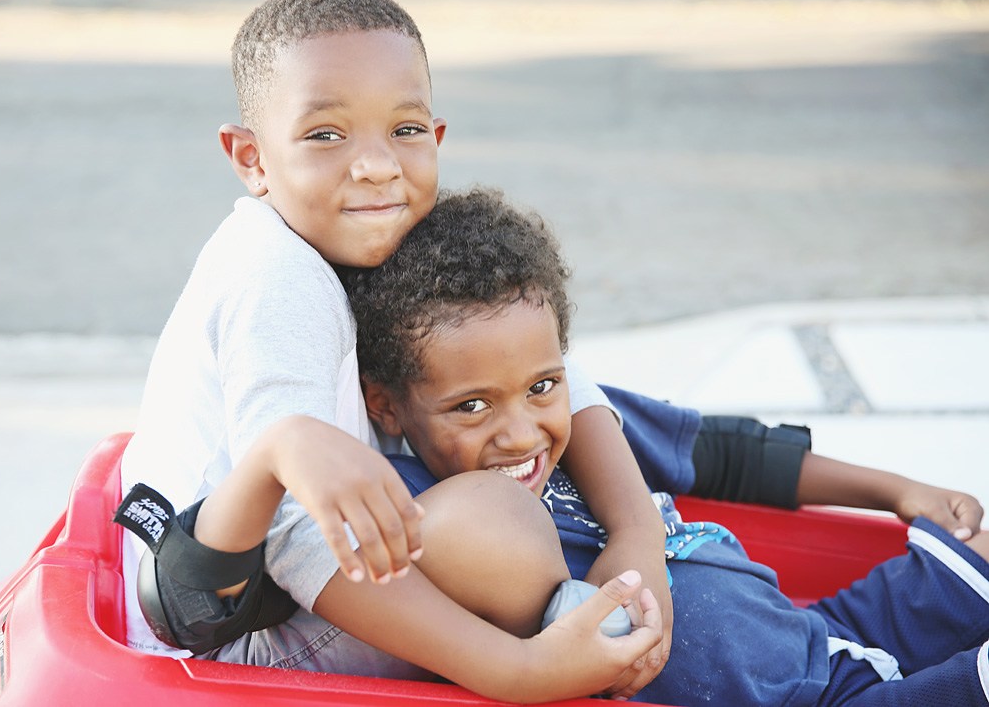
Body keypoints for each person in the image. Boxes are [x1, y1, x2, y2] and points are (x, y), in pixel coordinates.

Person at [116, 0, 667, 703]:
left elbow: (550, 366)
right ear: (250, 159)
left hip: (293, 588)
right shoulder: (277, 280)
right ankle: (549, 644)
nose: (376, 165)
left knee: (496, 363)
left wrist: (636, 535)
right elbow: (295, 538)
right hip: (242, 646)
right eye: (325, 135)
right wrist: (517, 670)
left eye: (403, 130)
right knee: (495, 525)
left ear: (434, 137)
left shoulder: (360, 221)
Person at [346, 186, 989, 706]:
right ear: (386, 404)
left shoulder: (580, 422)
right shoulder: (418, 519)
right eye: (472, 406)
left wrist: (896, 491)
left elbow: (729, 456)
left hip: (825, 627)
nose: (522, 432)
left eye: (543, 385)